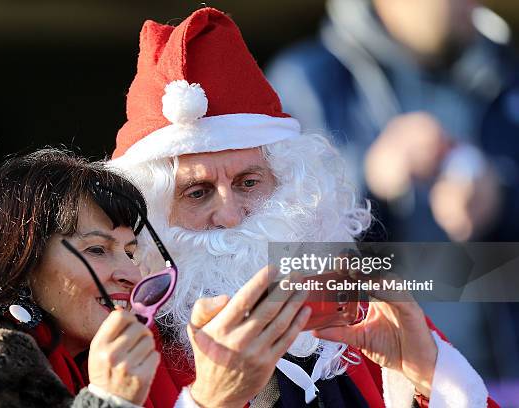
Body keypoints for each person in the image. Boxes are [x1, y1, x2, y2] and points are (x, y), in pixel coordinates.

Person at [108, 7, 499, 407]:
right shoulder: (126, 353)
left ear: (292, 189)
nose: (230, 215)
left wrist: (429, 378)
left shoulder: (362, 314)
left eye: (248, 183)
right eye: (197, 193)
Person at [265, 0, 519, 380]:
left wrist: (502, 193)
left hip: (502, 371)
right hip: (377, 378)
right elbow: (280, 252)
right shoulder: (308, 81)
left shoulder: (505, 72)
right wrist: (369, 178)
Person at [0, 149, 160, 407]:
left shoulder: (97, 367)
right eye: (96, 249)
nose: (132, 275)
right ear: (21, 260)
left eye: (130, 253)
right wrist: (109, 401)